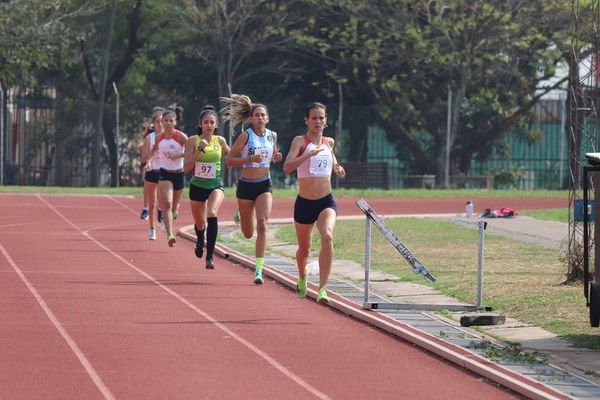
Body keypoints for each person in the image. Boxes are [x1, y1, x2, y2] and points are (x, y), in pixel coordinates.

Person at [282, 102, 345, 304]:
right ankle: (302, 276)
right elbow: (287, 167)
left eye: (321, 118)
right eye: (314, 118)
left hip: (326, 201)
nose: (318, 121)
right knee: (304, 251)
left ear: (326, 120)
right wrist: (307, 155)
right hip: (304, 203)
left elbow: (332, 160)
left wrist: (338, 168)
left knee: (327, 236)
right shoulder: (300, 141)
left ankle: (323, 289)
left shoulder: (329, 142)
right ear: (307, 120)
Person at [221, 94, 282, 284]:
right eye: (257, 115)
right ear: (251, 118)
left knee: (263, 223)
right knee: (248, 233)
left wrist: (275, 158)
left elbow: (271, 155)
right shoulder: (246, 135)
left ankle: (258, 270)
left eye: (263, 115)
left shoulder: (273, 135)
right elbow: (230, 161)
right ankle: (241, 213)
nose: (260, 118)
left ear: (268, 118)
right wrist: (249, 160)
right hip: (246, 185)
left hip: (265, 184)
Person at [183, 105, 230, 268]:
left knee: (212, 213)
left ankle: (209, 257)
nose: (209, 125)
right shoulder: (192, 141)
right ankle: (200, 239)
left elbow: (230, 159)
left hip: (215, 184)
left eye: (212, 122)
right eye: (206, 122)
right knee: (200, 224)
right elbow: (186, 168)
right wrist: (199, 150)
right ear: (200, 124)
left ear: (216, 125)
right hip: (197, 186)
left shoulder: (220, 141)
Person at [149, 109, 188, 247]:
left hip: (178, 173)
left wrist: (177, 156)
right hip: (165, 173)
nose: (168, 123)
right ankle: (170, 234)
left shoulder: (180, 136)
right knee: (167, 203)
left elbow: (191, 151)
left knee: (173, 206)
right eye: (166, 120)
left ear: (175, 122)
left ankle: (175, 210)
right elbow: (154, 150)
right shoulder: (159, 137)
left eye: (171, 121)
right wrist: (148, 162)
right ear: (162, 122)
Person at [141, 112, 164, 240]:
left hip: (165, 172)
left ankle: (164, 217)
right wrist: (150, 157)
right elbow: (143, 158)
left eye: (162, 121)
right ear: (153, 124)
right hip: (152, 171)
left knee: (165, 200)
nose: (160, 124)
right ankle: (152, 228)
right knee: (152, 203)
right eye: (157, 122)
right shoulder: (149, 138)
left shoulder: (171, 137)